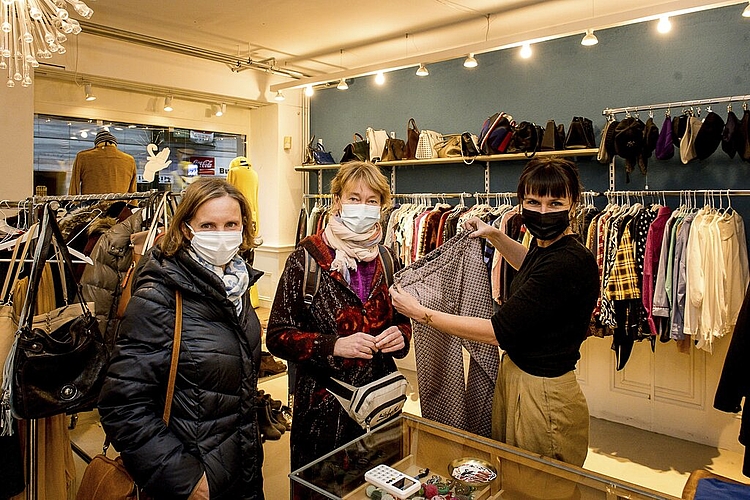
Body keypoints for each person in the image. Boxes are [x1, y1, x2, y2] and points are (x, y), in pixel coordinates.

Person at [390, 157, 599, 468]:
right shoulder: (549, 248)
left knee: (537, 485)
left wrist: (422, 314)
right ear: (521, 203)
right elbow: (532, 266)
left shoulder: (569, 260)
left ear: (573, 203)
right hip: (520, 379)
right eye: (533, 201)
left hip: (543, 395)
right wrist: (495, 236)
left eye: (555, 202)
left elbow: (496, 331)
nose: (542, 212)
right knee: (511, 473)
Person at [98, 178, 265, 500]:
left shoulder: (236, 286)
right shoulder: (158, 297)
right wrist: (185, 479)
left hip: (241, 465)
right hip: (192, 476)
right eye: (208, 225)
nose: (221, 235)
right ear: (187, 228)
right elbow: (122, 404)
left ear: (244, 227)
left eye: (231, 224)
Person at [266, 160, 412, 473]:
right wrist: (333, 345)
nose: (363, 207)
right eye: (354, 198)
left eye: (372, 201)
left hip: (379, 404)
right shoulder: (306, 259)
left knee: (377, 485)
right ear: (337, 202)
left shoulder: (387, 258)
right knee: (323, 486)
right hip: (324, 409)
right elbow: (277, 335)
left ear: (383, 207)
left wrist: (401, 335)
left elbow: (402, 320)